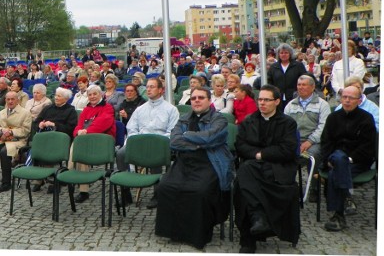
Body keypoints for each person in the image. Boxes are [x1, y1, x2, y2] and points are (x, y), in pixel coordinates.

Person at [156, 86, 233, 249]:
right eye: (193, 98)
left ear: (209, 100)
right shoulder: (184, 118)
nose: (196, 100)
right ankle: (174, 232)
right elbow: (174, 141)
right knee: (165, 187)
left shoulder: (220, 119)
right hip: (185, 162)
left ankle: (198, 234)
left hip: (211, 161)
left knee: (199, 190)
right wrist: (197, 145)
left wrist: (188, 136)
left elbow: (211, 137)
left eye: (201, 97)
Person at [234, 84, 300, 253]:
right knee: (245, 174)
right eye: (260, 99)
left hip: (279, 167)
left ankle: (256, 224)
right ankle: (250, 234)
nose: (262, 103)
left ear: (277, 101)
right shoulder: (249, 120)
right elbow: (240, 145)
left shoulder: (288, 123)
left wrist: (260, 155)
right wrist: (257, 156)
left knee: (245, 175)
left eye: (266, 100)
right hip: (253, 166)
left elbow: (287, 150)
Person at [319, 85, 377, 231]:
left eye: (351, 98)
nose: (347, 100)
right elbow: (326, 142)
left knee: (337, 169)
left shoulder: (366, 118)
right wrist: (328, 160)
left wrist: (349, 159)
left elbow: (367, 146)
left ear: (358, 100)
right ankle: (347, 198)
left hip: (357, 161)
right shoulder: (333, 118)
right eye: (344, 97)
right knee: (338, 159)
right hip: (333, 158)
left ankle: (338, 215)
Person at [116, 78, 178, 208]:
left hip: (159, 144)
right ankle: (125, 192)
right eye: (147, 87)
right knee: (121, 153)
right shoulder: (140, 109)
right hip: (139, 143)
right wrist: (137, 142)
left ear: (161, 90)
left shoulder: (171, 110)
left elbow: (172, 131)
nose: (148, 89)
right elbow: (132, 128)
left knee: (155, 157)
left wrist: (156, 142)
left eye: (152, 87)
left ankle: (157, 193)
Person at [283, 75, 331, 203]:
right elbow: (285, 125)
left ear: (313, 87)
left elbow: (323, 127)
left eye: (304, 85)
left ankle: (314, 188)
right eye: (299, 85)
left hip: (315, 141)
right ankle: (287, 187)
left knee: (314, 155)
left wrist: (309, 141)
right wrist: (294, 142)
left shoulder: (322, 104)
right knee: (282, 153)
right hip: (295, 140)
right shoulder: (290, 105)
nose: (301, 87)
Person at [69, 85, 116, 203]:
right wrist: (77, 132)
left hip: (102, 141)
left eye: (95, 94)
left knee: (80, 147)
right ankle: (82, 189)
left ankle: (70, 175)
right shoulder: (86, 109)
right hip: (85, 140)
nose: (92, 97)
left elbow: (102, 123)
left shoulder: (108, 108)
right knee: (79, 146)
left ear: (101, 95)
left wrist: (86, 131)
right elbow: (79, 125)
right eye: (90, 95)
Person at [0, 91, 33, 192]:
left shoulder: (25, 113)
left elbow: (26, 131)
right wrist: (1, 131)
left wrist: (11, 132)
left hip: (17, 140)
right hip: (2, 139)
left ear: (18, 100)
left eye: (13, 99)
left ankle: (6, 183)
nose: (10, 101)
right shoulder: (2, 112)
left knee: (4, 152)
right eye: (8, 99)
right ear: (5, 100)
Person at [31, 87, 79, 192]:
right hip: (45, 136)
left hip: (61, 139)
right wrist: (40, 124)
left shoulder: (70, 111)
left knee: (49, 148)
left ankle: (51, 179)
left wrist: (54, 124)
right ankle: (39, 178)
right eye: (56, 95)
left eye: (59, 96)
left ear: (66, 99)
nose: (56, 98)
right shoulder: (48, 108)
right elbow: (36, 121)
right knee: (38, 146)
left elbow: (70, 129)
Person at [267, 43, 308, 108]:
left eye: (286, 53)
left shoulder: (298, 65)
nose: (284, 55)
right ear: (278, 54)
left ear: (290, 54)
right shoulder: (273, 67)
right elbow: (269, 82)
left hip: (295, 97)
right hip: (278, 99)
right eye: (281, 53)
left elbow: (304, 79)